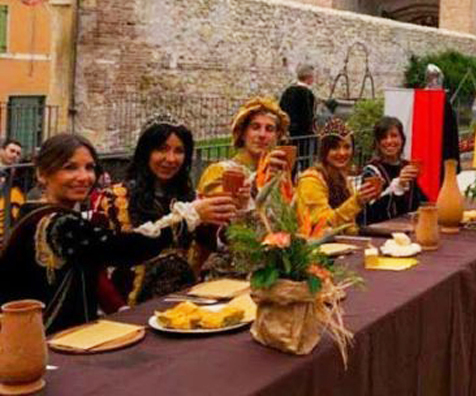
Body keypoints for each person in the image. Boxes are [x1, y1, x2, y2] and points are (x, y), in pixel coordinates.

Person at [0, 134, 205, 333]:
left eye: (90, 167)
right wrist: (189, 217)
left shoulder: (34, 212)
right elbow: (124, 248)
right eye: (70, 167)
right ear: (42, 174)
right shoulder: (58, 222)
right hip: (48, 342)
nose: (84, 177)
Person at [92, 119, 239, 307]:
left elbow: (213, 244)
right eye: (162, 149)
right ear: (146, 152)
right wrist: (118, 308)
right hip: (131, 307)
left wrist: (234, 210)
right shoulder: (113, 200)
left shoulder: (193, 199)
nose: (170, 159)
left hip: (184, 305)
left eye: (179, 151)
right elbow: (96, 264)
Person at [295, 118, 381, 237]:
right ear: (324, 150)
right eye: (335, 148)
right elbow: (321, 225)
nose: (342, 153)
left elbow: (348, 225)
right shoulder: (311, 180)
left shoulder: (343, 178)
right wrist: (356, 202)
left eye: (347, 147)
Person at [197, 97, 292, 201]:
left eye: (269, 129)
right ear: (243, 133)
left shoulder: (279, 179)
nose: (262, 135)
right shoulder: (223, 172)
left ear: (277, 136)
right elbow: (221, 205)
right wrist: (257, 182)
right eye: (255, 127)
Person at [360, 116, 425, 225]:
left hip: (407, 228)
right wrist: (398, 185)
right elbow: (372, 212)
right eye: (384, 137)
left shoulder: (407, 167)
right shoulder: (371, 171)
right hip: (379, 231)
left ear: (402, 139)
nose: (389, 141)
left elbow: (419, 203)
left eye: (394, 136)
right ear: (377, 143)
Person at [425, 64, 461, 179]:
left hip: (443, 146)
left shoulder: (444, 100)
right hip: (426, 144)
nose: (434, 80)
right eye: (431, 77)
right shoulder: (421, 97)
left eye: (436, 77)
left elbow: (451, 129)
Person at [280, 63, 318, 139]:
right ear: (309, 78)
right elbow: (307, 116)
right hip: (302, 135)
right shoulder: (306, 93)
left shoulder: (288, 91)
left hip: (287, 132)